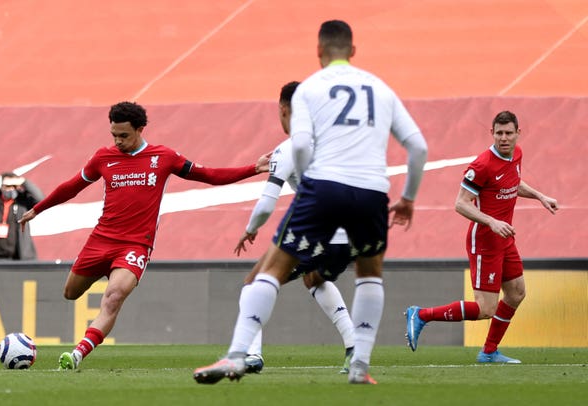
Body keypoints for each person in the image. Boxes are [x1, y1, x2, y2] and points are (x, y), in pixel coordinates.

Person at [194, 19, 427, 385]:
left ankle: (240, 355)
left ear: (318, 51)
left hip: (325, 189)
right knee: (369, 276)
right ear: (353, 51)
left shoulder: (308, 90)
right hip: (371, 192)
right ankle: (360, 366)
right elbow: (418, 147)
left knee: (266, 272)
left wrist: (309, 191)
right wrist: (408, 198)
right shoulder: (380, 89)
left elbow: (300, 145)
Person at [18, 101, 270, 370]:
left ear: (140, 130)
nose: (118, 141)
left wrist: (253, 168)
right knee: (70, 293)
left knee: (113, 297)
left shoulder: (163, 157)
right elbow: (73, 186)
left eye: (124, 136)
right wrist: (38, 209)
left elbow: (208, 174)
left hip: (135, 245)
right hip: (101, 240)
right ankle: (84, 333)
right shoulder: (103, 157)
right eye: (114, 135)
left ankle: (77, 354)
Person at [405, 110, 558, 363]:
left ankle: (489, 352)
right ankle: (421, 315)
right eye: (499, 133)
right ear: (492, 134)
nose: (504, 138)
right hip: (485, 241)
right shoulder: (482, 165)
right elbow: (461, 204)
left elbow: (513, 182)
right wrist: (492, 221)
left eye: (509, 133)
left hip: (505, 237)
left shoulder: (516, 154)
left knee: (517, 292)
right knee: (485, 308)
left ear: (518, 134)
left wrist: (541, 196)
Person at [234, 81, 355, 375]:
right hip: (351, 232)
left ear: (284, 109)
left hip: (317, 232)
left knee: (254, 284)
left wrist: (250, 229)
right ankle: (355, 346)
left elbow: (265, 204)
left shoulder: (287, 149)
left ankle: (252, 355)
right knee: (314, 278)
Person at [0, 172, 44, 268]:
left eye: (14, 186)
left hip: (21, 258)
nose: (11, 189)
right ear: (2, 186)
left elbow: (41, 199)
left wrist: (24, 182)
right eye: (7, 186)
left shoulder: (22, 201)